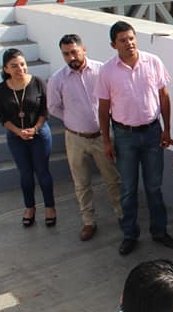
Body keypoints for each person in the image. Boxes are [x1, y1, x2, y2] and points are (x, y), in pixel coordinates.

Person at [96, 21, 173, 256]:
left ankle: (159, 231)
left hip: (152, 133)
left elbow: (164, 96)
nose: (129, 43)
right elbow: (103, 109)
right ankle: (130, 234)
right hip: (125, 136)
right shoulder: (107, 71)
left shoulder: (153, 62)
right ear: (114, 44)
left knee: (154, 187)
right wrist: (106, 141)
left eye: (131, 38)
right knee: (129, 189)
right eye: (123, 40)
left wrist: (166, 130)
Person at [47, 34, 123, 241]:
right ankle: (89, 222)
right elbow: (53, 107)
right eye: (66, 54)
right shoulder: (57, 79)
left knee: (113, 179)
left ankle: (122, 215)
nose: (71, 57)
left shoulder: (101, 71)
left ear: (84, 49)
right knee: (81, 183)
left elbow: (114, 98)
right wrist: (72, 119)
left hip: (102, 136)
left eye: (74, 52)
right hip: (75, 138)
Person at [0, 48, 56, 227]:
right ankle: (30, 207)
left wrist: (35, 129)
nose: (20, 69)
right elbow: (1, 116)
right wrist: (17, 131)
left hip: (39, 134)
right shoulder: (1, 89)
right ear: (6, 69)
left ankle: (50, 207)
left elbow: (45, 109)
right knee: (25, 174)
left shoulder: (37, 82)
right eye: (14, 66)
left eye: (22, 64)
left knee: (43, 172)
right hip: (16, 136)